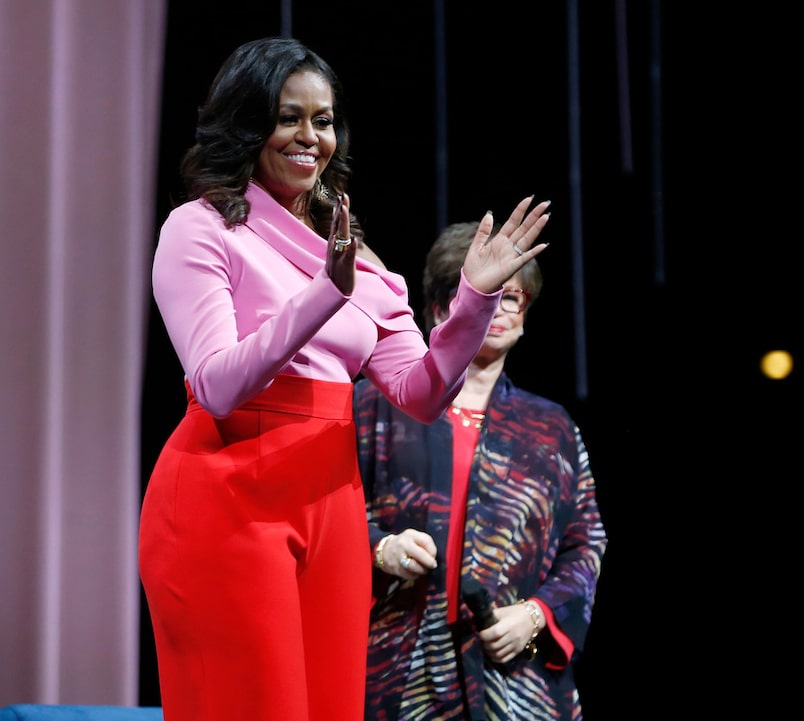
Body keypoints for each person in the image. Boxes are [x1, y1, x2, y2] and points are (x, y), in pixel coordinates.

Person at [137, 36, 551, 721]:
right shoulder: (200, 229)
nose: (310, 137)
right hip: (228, 500)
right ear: (246, 125)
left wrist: (474, 298)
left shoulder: (351, 249)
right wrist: (322, 294)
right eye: (288, 116)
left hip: (329, 503)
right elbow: (214, 384)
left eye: (323, 120)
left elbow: (420, 392)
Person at [355, 220, 606, 721]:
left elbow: (586, 541)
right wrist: (382, 548)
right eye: (481, 292)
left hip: (516, 684)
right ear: (437, 306)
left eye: (511, 296)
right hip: (396, 673)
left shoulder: (550, 427)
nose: (496, 307)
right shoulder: (374, 404)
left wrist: (536, 614)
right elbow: (319, 515)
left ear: (526, 312)